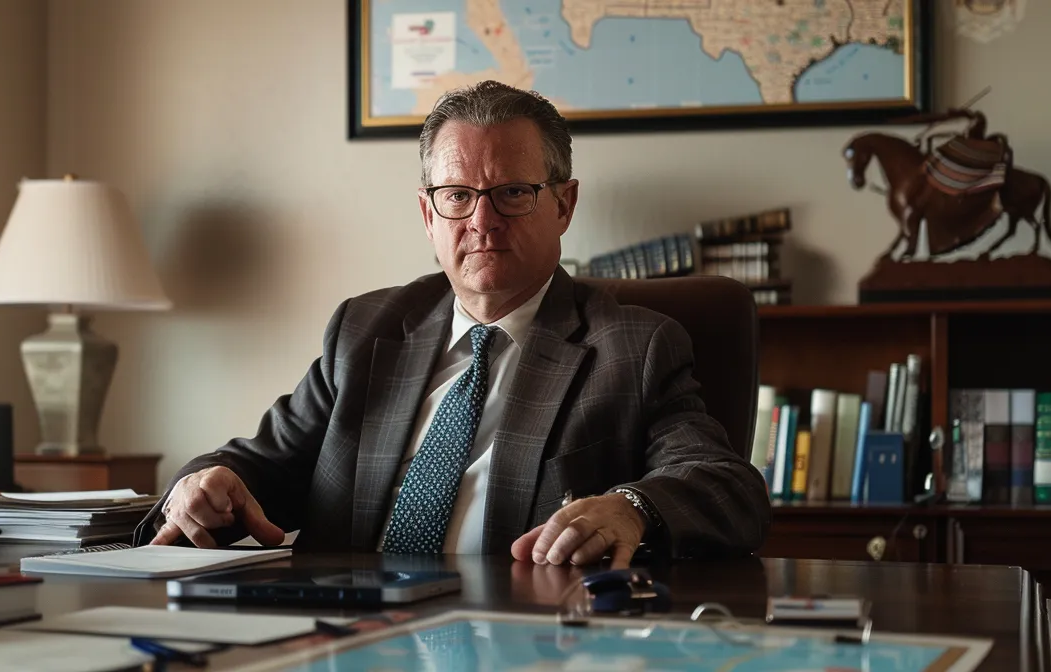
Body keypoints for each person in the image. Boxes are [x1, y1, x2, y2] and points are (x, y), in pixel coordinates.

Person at [132, 81, 771, 567]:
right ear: (428, 212)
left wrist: (632, 507)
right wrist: (208, 481)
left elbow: (725, 485)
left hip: (521, 639)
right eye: (458, 195)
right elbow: (265, 464)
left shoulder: (634, 348)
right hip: (343, 633)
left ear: (564, 204)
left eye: (512, 193)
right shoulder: (367, 329)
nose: (482, 222)